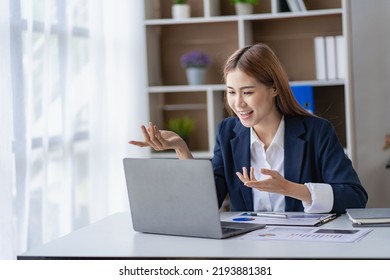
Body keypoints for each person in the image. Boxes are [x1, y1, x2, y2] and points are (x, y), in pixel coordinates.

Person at [129, 43, 368, 214]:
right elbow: (206, 202)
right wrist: (181, 148)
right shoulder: (228, 131)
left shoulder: (317, 131)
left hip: (304, 247)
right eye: (231, 92)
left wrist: (293, 189)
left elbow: (355, 197)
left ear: (274, 88)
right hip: (246, 249)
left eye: (248, 92)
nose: (238, 103)